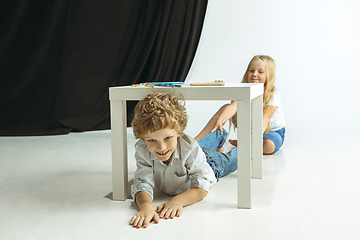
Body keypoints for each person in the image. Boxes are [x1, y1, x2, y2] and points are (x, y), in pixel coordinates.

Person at [130, 92, 237, 228]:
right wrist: (146, 207)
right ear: (143, 138)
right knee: (203, 144)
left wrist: (177, 201)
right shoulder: (142, 149)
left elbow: (201, 187)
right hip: (197, 152)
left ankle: (248, 141)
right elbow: (142, 183)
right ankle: (220, 135)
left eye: (168, 138)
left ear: (179, 132)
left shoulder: (190, 148)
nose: (161, 148)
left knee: (238, 156)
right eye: (152, 140)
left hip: (212, 164)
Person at [194, 55, 286, 154]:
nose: (254, 74)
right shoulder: (243, 90)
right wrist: (220, 120)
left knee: (268, 146)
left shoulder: (273, 94)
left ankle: (244, 143)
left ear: (269, 75)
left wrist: (252, 138)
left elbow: (265, 117)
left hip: (271, 131)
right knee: (225, 108)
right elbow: (233, 107)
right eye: (251, 71)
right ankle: (196, 141)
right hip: (250, 130)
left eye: (260, 72)